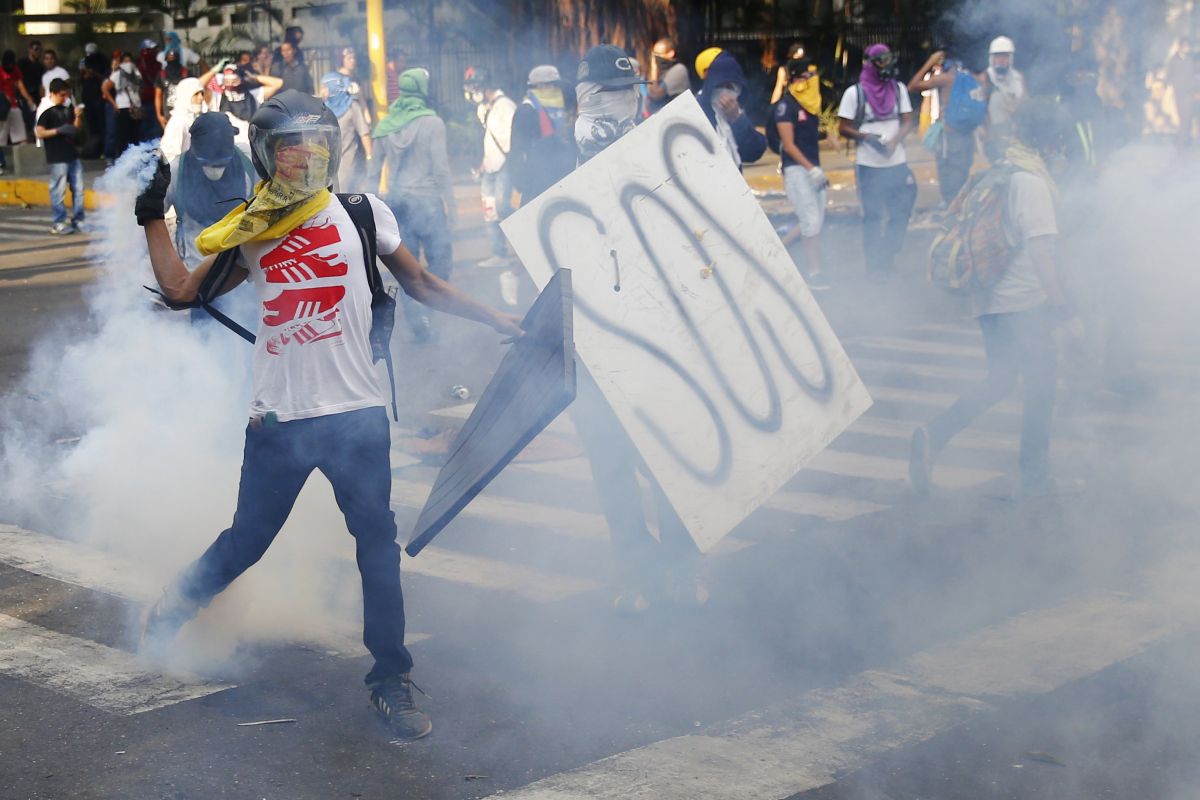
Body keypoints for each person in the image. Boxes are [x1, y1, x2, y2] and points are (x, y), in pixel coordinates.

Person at [136, 90, 523, 741]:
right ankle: (178, 603)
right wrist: (152, 217)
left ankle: (391, 680)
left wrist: (499, 319)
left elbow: (423, 283)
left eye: (313, 140)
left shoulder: (364, 213)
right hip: (280, 422)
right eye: (288, 144)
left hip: (357, 417)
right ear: (265, 153)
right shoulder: (251, 228)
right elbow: (180, 292)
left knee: (378, 548)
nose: (303, 154)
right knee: (246, 544)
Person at [571, 44, 706, 612]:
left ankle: (682, 566)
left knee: (669, 451)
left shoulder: (663, 150)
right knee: (610, 459)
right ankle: (635, 567)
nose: (617, 105)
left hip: (660, 330)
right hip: (591, 330)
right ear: (583, 95)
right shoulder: (551, 156)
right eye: (604, 94)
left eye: (626, 94)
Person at [910, 98, 1073, 497]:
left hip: (989, 301)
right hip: (1024, 304)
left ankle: (936, 433)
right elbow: (1042, 253)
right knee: (1041, 388)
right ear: (1051, 141)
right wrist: (1063, 309)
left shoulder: (1000, 172)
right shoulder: (1033, 184)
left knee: (1001, 379)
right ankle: (1035, 480)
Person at [371, 67, 457, 342]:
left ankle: (417, 315)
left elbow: (373, 172)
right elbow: (441, 169)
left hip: (397, 205)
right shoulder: (433, 123)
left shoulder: (385, 125)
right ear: (421, 89)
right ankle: (424, 312)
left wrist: (370, 210)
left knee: (408, 268)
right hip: (429, 204)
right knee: (441, 262)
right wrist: (452, 206)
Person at [837, 43, 916, 280]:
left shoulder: (899, 89)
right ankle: (874, 266)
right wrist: (866, 138)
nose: (886, 65)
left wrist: (894, 141)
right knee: (872, 217)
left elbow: (907, 121)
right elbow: (843, 127)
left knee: (899, 213)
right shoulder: (855, 93)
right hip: (869, 165)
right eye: (881, 61)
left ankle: (888, 256)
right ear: (870, 65)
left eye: (888, 59)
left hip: (896, 162)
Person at [165, 112, 256, 266]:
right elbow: (151, 216)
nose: (215, 170)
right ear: (193, 147)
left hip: (242, 270)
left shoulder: (248, 160)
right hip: (195, 272)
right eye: (207, 162)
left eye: (222, 162)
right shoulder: (175, 171)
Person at [773, 56, 830, 290]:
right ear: (797, 78)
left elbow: (807, 136)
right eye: (808, 75)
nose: (812, 79)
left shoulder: (809, 104)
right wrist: (811, 169)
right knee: (810, 221)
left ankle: (777, 253)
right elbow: (788, 145)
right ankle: (814, 273)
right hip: (798, 170)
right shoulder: (787, 105)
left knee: (814, 221)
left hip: (812, 168)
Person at [909, 49, 986, 205]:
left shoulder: (945, 79)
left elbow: (912, 86)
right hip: (968, 136)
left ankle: (952, 217)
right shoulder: (974, 78)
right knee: (963, 177)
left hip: (950, 138)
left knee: (949, 182)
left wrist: (929, 63)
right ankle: (960, 214)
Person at [464, 65, 517, 267]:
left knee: (504, 207)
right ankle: (499, 255)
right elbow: (490, 139)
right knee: (490, 211)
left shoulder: (506, 106)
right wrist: (483, 164)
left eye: (473, 87)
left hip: (505, 167)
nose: (470, 92)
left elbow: (512, 140)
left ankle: (526, 245)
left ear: (483, 86)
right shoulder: (484, 108)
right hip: (490, 167)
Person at [508, 64, 577, 203]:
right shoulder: (526, 111)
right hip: (536, 180)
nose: (555, 90)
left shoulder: (556, 108)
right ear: (539, 87)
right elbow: (517, 150)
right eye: (551, 86)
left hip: (560, 175)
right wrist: (521, 183)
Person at [698, 51, 767, 170]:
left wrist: (736, 120)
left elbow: (755, 151)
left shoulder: (737, 112)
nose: (725, 92)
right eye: (720, 86)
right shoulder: (696, 109)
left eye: (730, 87)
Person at [34, 78, 85, 235]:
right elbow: (39, 132)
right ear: (54, 93)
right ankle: (59, 221)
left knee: (79, 189)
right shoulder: (47, 112)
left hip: (72, 154)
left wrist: (77, 116)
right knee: (58, 190)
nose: (65, 98)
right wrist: (58, 131)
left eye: (67, 94)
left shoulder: (67, 109)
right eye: (62, 95)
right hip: (57, 157)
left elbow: (76, 129)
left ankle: (79, 220)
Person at [320, 47, 372, 193]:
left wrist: (367, 118)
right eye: (349, 58)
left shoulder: (354, 85)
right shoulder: (331, 81)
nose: (352, 61)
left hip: (353, 141)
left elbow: (361, 102)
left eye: (353, 57)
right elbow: (322, 94)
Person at [219, 63, 283, 150]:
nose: (230, 85)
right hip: (227, 150)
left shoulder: (253, 96)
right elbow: (197, 85)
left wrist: (253, 77)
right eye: (226, 81)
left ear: (242, 80)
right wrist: (213, 71)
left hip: (249, 149)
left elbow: (278, 83)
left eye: (234, 81)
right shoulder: (218, 98)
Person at [984, 35, 1026, 162]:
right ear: (992, 58)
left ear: (1010, 58)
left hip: (1015, 130)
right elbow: (983, 109)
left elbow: (1025, 102)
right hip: (994, 132)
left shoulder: (1019, 78)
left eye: (1004, 56)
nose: (1001, 60)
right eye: (997, 56)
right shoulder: (986, 77)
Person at [103, 52, 144, 162]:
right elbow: (105, 89)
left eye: (129, 61)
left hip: (136, 107)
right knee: (122, 137)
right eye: (125, 61)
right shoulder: (117, 74)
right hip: (123, 107)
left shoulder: (136, 73)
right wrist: (114, 104)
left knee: (135, 136)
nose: (128, 64)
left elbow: (140, 87)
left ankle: (134, 160)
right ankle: (121, 160)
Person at [159, 76, 207, 162]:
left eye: (202, 93)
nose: (201, 98)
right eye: (196, 94)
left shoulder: (195, 119)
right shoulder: (178, 122)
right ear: (186, 95)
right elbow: (169, 157)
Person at [0, 50, 33, 174]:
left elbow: (20, 85)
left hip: (13, 106)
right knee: (0, 138)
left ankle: (25, 162)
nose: (10, 67)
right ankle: (1, 163)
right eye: (8, 65)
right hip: (2, 108)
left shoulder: (15, 70)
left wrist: (29, 99)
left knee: (21, 135)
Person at [646, 37, 690, 114]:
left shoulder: (678, 70)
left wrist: (654, 69)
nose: (655, 58)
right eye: (654, 54)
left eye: (659, 54)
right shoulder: (661, 72)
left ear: (671, 54)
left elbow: (655, 94)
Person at [154, 46, 191, 131]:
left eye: (174, 57)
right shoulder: (161, 75)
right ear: (166, 59)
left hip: (186, 114)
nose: (172, 60)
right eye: (169, 58)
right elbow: (158, 96)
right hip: (168, 116)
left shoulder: (187, 73)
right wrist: (159, 115)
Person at [1166, 37, 1195, 145]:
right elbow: (1169, 76)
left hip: (1191, 92)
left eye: (1189, 46)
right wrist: (1174, 86)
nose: (1188, 48)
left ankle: (1185, 140)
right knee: (1183, 117)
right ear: (1180, 47)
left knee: (1189, 117)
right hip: (1179, 93)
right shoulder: (1174, 60)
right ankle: (1181, 142)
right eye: (1186, 46)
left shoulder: (1190, 59)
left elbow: (1194, 75)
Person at [17, 41, 44, 133]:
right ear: (30, 50)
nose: (38, 52)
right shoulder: (22, 63)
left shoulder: (40, 66)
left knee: (36, 119)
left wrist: (41, 100)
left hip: (36, 96)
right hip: (24, 96)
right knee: (27, 119)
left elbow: (41, 85)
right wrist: (28, 98)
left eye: (40, 50)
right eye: (36, 49)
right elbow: (19, 82)